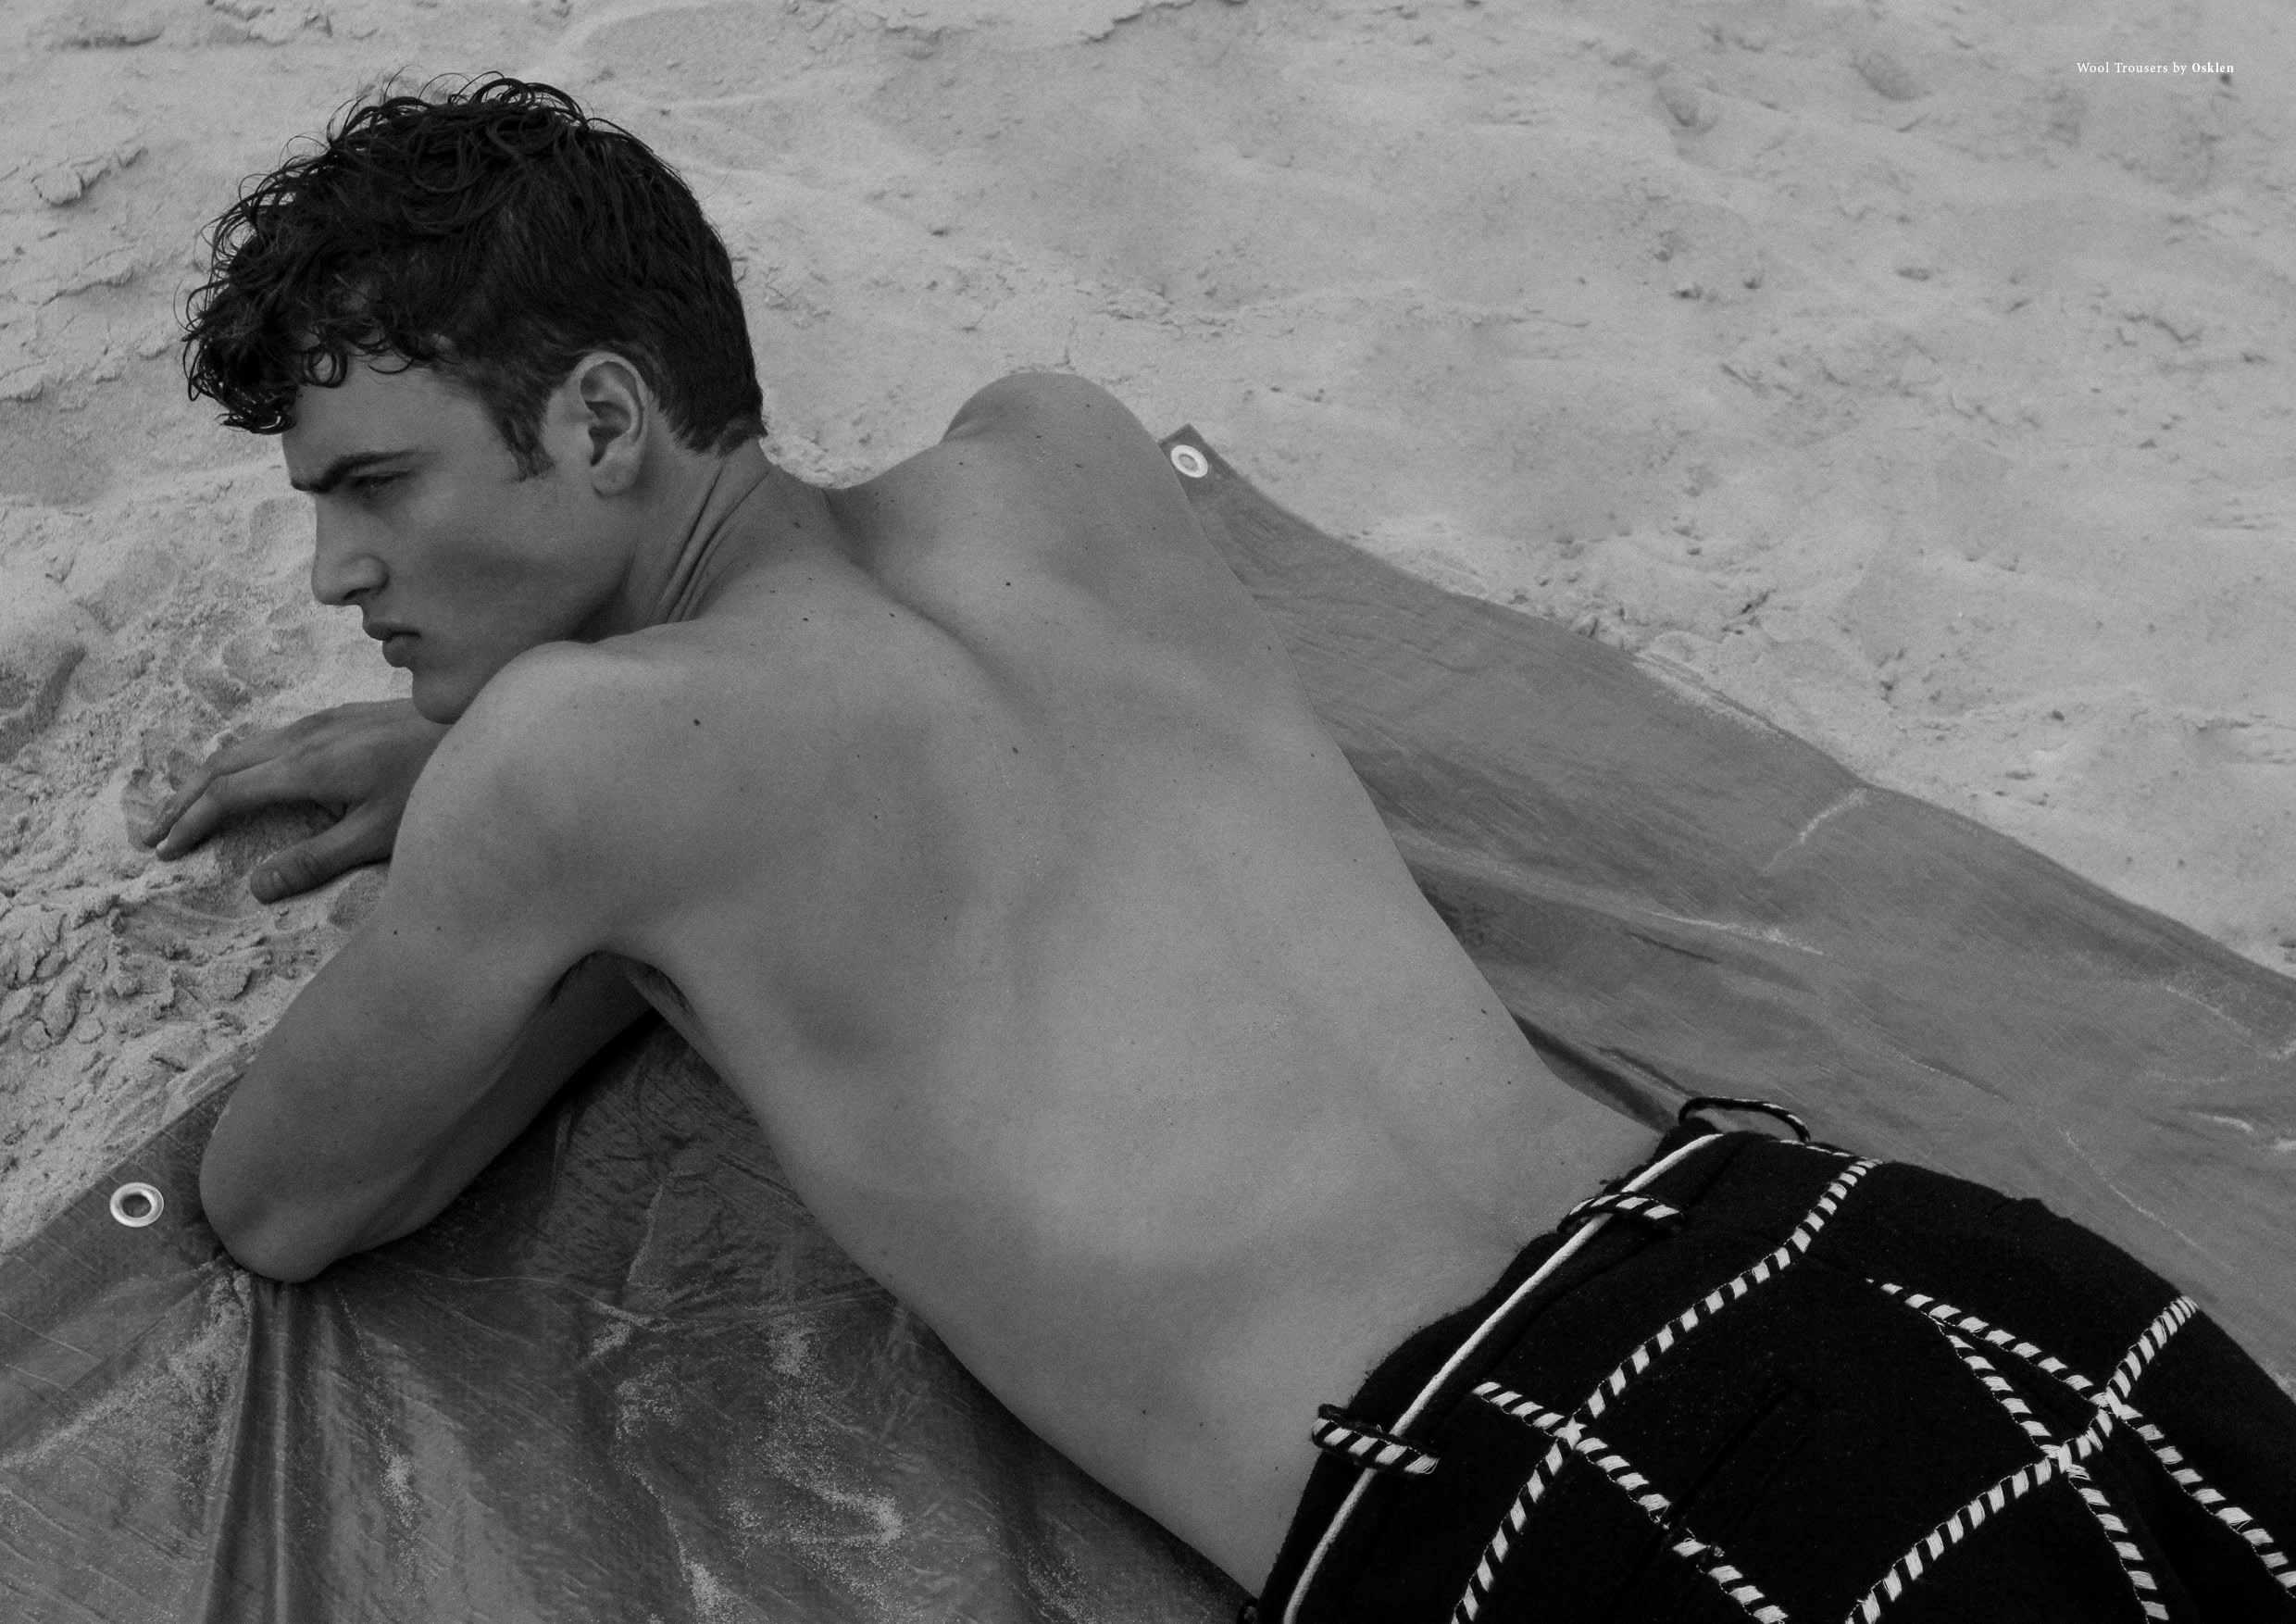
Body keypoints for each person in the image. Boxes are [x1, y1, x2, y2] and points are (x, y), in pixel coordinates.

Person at [148, 77, 2296, 1623]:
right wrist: (526, 793)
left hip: (1566, 1487)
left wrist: (518, 840)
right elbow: (879, 713)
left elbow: (284, 1198)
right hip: (1870, 1252)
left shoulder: (577, 767)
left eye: (376, 486)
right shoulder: (1057, 452)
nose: (337, 570)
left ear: (605, 422)